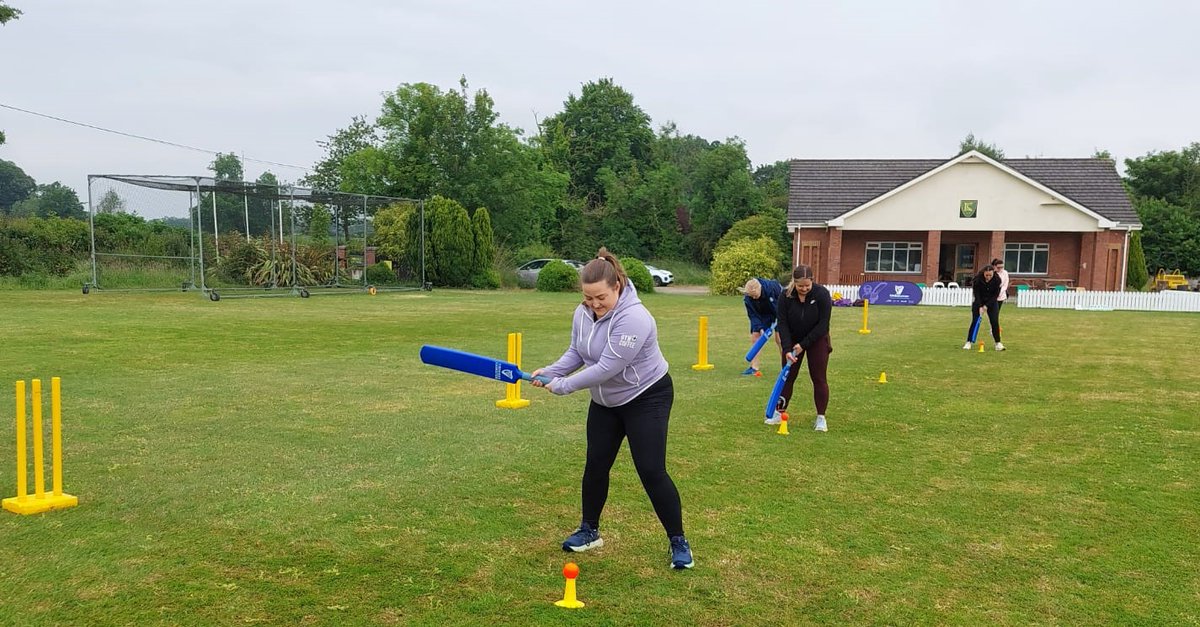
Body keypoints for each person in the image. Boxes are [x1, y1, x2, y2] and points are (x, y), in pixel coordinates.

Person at [531, 247, 694, 570]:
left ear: (617, 286)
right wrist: (553, 371)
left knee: (651, 470)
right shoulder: (583, 313)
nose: (594, 305)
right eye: (588, 298)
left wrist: (564, 385)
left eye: (600, 298)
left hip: (646, 396)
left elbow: (607, 367)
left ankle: (678, 541)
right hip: (606, 402)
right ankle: (589, 530)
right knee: (596, 464)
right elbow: (577, 352)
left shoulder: (635, 318)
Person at [774, 264, 834, 432]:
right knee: (787, 376)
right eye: (800, 286)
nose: (804, 289)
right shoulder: (785, 296)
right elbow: (782, 324)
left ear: (812, 281)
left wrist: (803, 345)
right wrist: (787, 349)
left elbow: (823, 325)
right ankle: (779, 413)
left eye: (807, 285)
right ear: (794, 282)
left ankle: (821, 418)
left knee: (819, 377)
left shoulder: (822, 294)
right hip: (792, 339)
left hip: (817, 339)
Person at [738, 277, 784, 376]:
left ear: (760, 289)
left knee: (780, 338)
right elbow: (753, 315)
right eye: (752, 296)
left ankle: (785, 367)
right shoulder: (748, 298)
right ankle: (754, 367)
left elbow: (784, 302)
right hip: (762, 315)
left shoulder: (772, 287)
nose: (754, 298)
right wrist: (760, 328)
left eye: (755, 296)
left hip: (780, 311)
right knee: (755, 336)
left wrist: (781, 317)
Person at [963, 264, 1004, 351]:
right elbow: (977, 294)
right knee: (974, 321)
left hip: (992, 303)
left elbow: (995, 295)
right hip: (979, 302)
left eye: (990, 275)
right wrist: (980, 306)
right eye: (986, 275)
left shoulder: (997, 280)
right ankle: (968, 342)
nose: (988, 277)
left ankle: (998, 343)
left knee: (994, 322)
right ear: (983, 273)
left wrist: (986, 306)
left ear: (993, 273)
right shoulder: (978, 280)